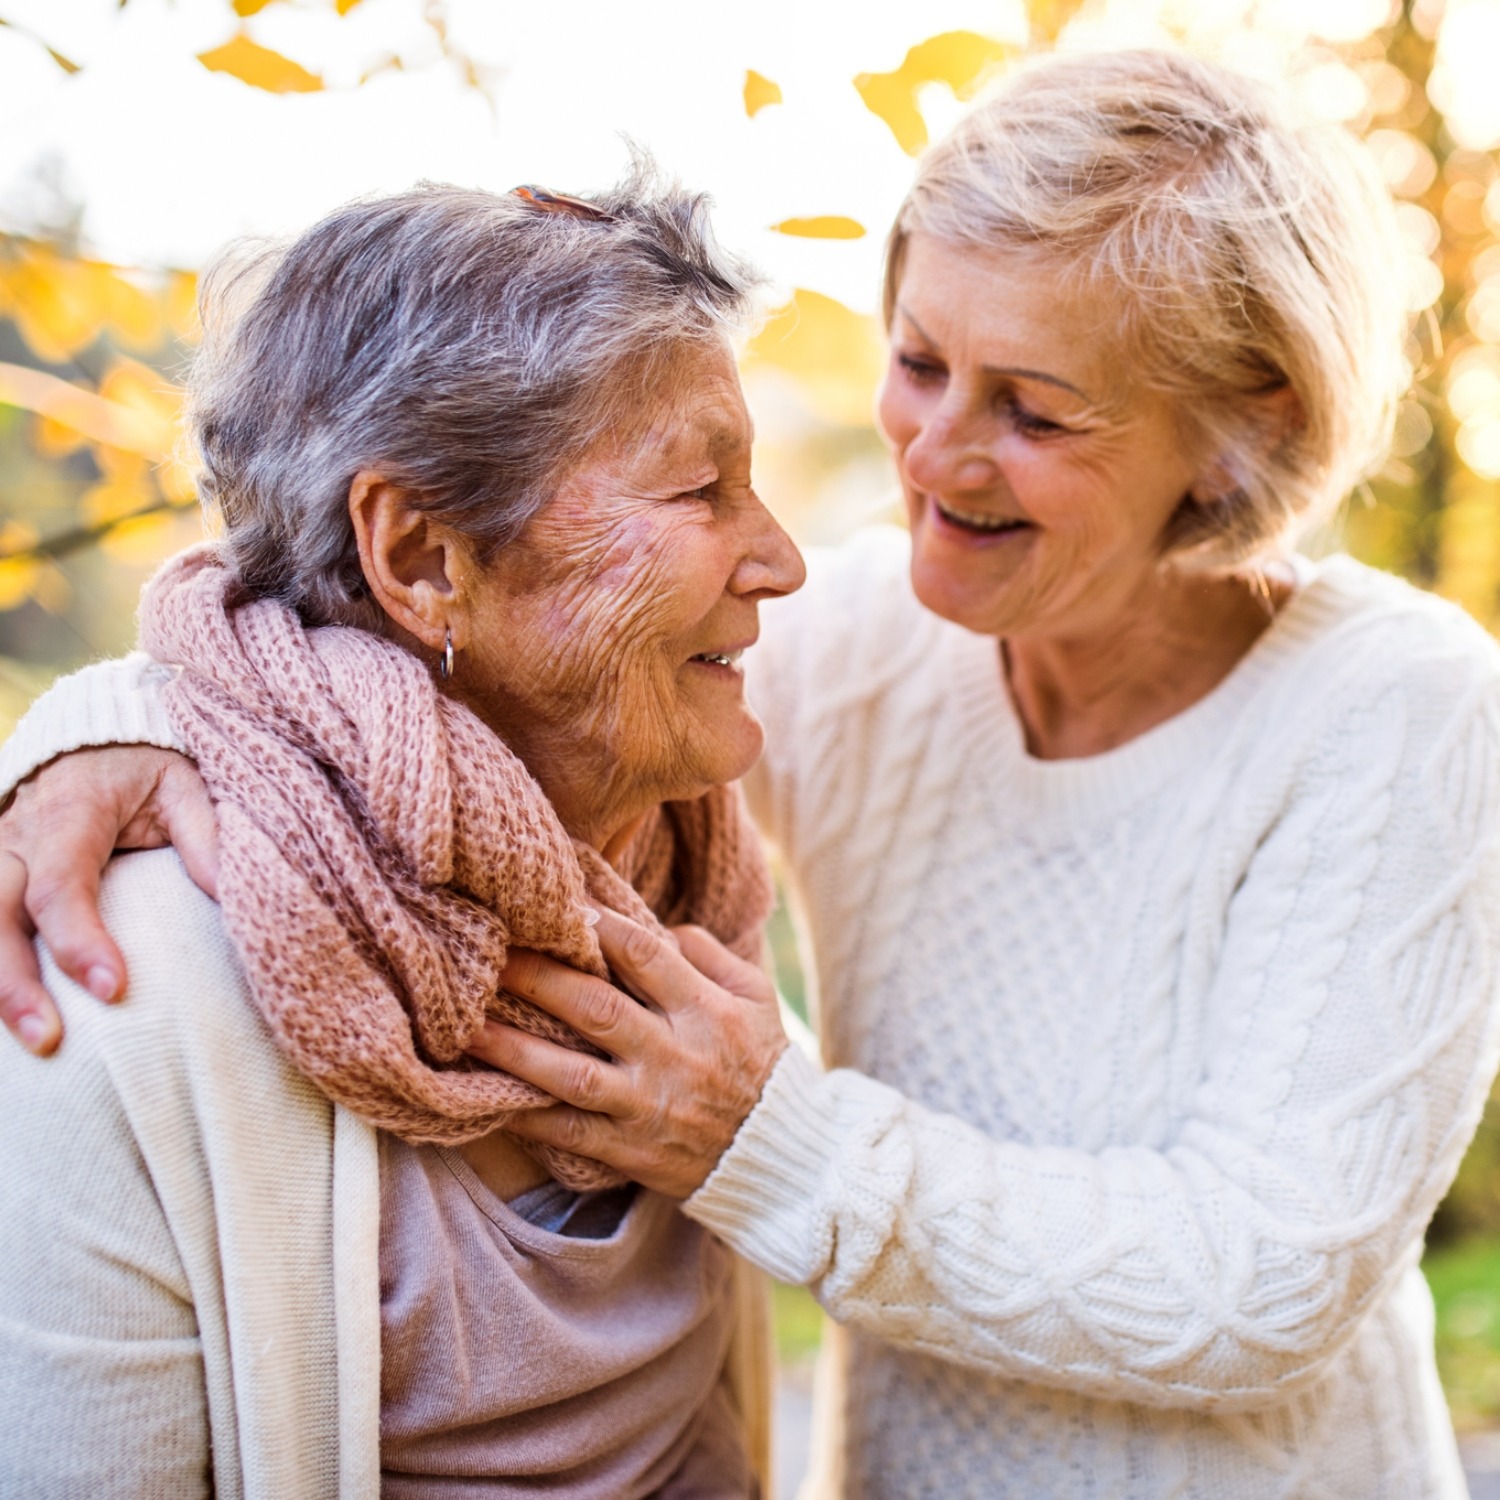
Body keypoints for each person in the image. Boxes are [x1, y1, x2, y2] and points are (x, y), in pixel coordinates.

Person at [4, 48, 1499, 1500]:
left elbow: (1263, 1276)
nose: (934, 456)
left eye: (1035, 411)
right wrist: (119, 722)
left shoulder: (1398, 709)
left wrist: (770, 1143)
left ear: (1250, 426)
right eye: (918, 362)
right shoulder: (865, 645)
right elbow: (446, 629)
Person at [0, 168, 808, 1497]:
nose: (780, 559)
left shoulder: (677, 864)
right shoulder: (107, 1006)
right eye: (699, 492)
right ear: (424, 559)